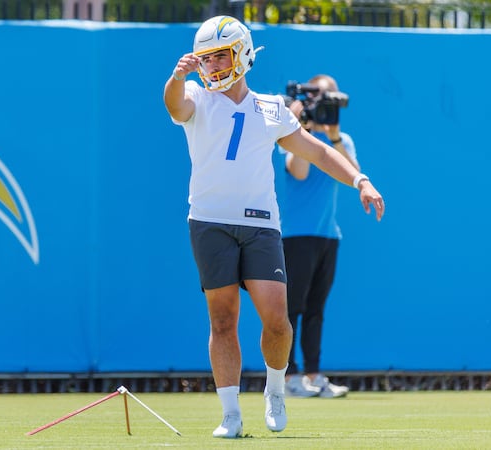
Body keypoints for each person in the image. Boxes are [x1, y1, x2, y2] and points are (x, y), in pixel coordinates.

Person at [163, 16, 384, 438]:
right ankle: (230, 413)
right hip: (209, 223)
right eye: (205, 60)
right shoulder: (195, 97)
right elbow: (175, 105)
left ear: (243, 54)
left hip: (261, 225)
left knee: (278, 320)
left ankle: (276, 390)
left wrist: (361, 180)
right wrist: (177, 76)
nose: (210, 67)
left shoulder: (271, 107)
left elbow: (317, 152)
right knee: (223, 321)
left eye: (219, 57)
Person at [280, 74, 357, 399]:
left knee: (315, 309)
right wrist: (305, 130)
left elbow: (351, 174)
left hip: (328, 236)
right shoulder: (290, 137)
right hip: (295, 235)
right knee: (291, 308)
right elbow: (298, 170)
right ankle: (288, 377)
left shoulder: (344, 141)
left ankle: (313, 375)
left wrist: (334, 136)